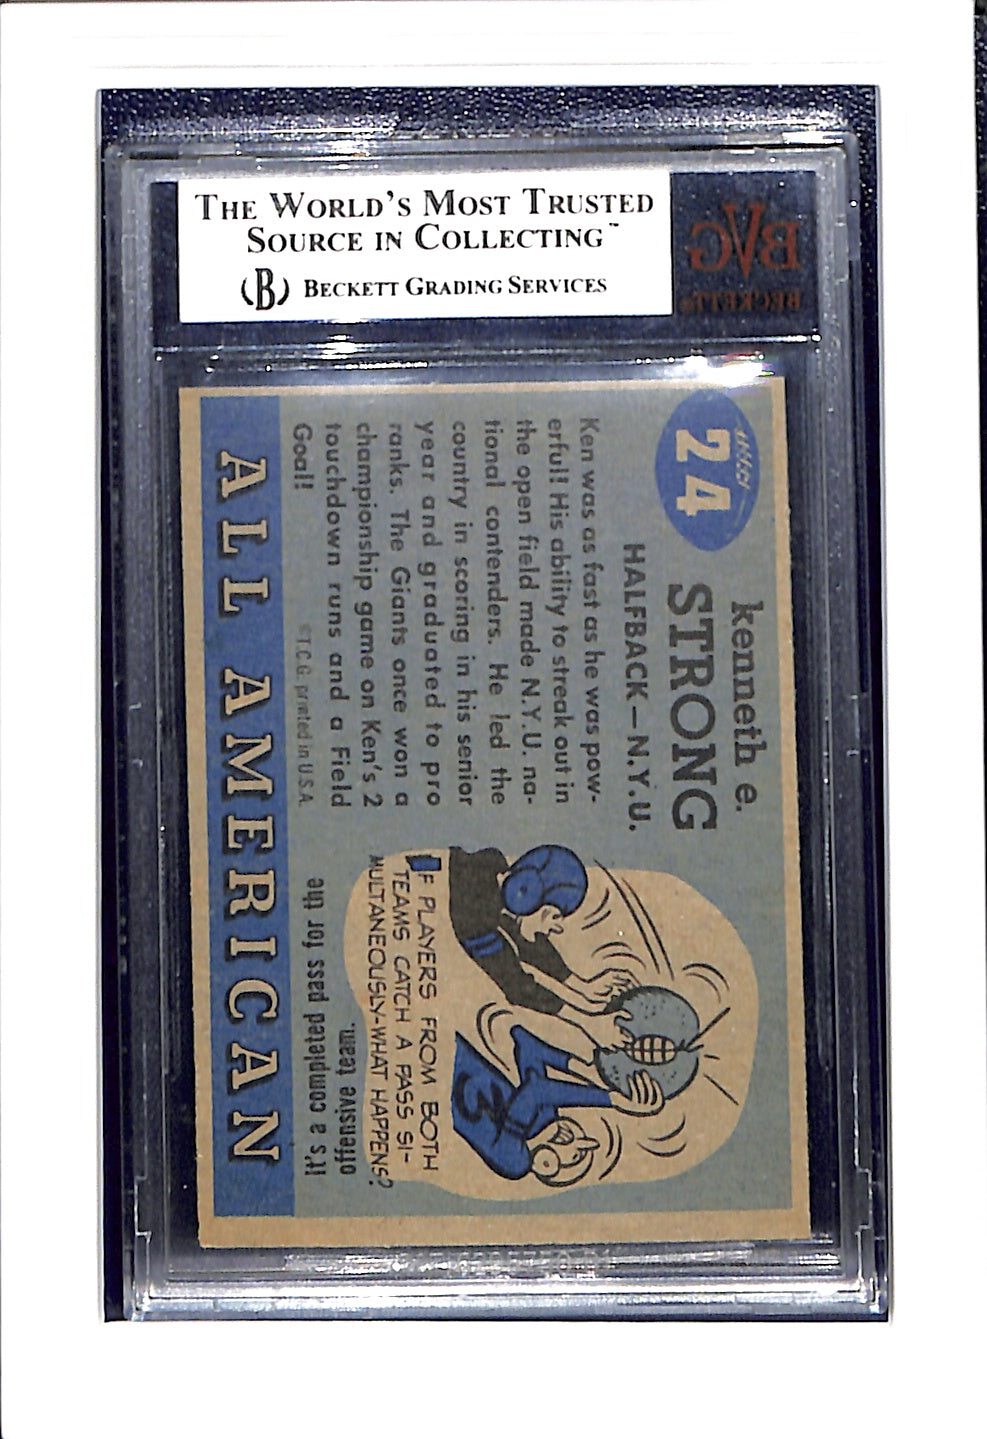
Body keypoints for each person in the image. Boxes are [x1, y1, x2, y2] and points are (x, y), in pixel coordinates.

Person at [452, 1023, 663, 1184]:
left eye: (577, 1155)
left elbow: (536, 1090)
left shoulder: (515, 1162)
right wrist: (587, 1072)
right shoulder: (543, 1119)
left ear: (548, 1164)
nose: (584, 1141)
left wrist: (611, 1100)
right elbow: (526, 1043)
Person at [448, 844, 634, 1016]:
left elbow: (528, 944)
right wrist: (587, 1018)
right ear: (527, 895)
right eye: (554, 916)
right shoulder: (474, 919)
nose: (557, 928)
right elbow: (517, 987)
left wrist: (583, 986)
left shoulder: (493, 883)